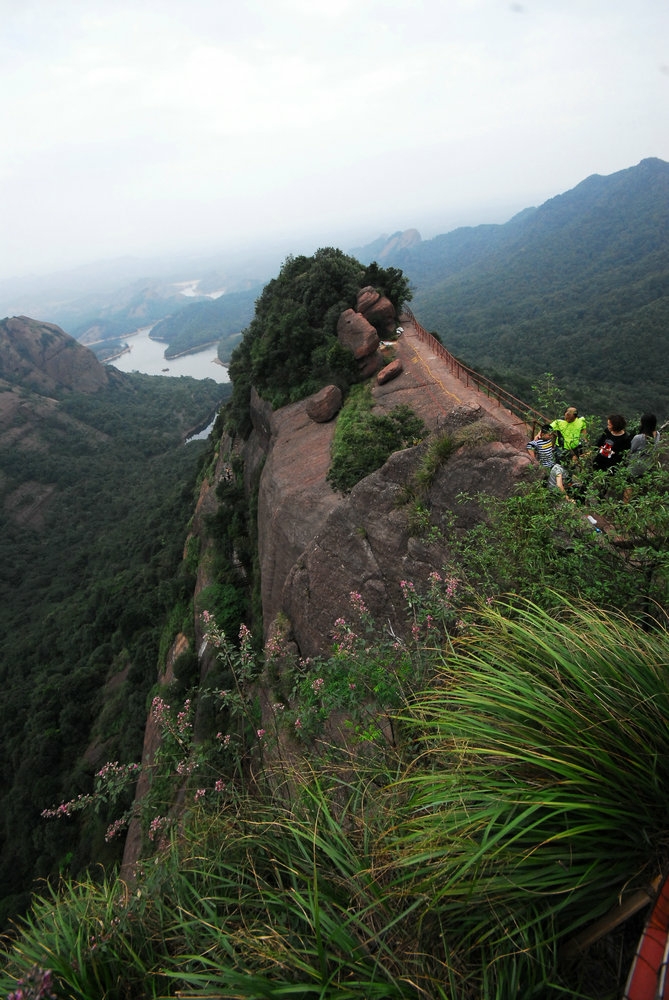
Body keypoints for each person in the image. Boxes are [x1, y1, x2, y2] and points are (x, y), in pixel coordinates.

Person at [627, 413, 660, 479]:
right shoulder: (657, 434)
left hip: (634, 467)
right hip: (647, 466)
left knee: (629, 485)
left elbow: (631, 450)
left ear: (643, 423)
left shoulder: (639, 438)